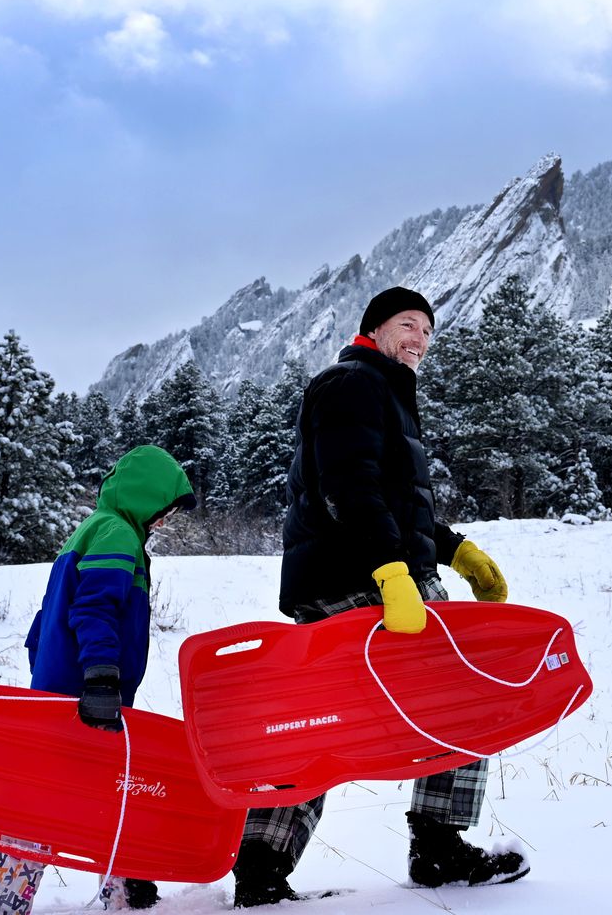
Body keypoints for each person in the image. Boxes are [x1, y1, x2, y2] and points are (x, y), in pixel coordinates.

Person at [231, 286, 525, 907]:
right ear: (375, 329)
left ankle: (261, 868)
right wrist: (394, 573)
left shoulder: (379, 392)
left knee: (317, 721)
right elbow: (348, 487)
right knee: (466, 691)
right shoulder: (352, 385)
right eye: (408, 324)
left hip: (348, 577)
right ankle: (438, 848)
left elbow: (388, 503)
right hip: (364, 583)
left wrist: (455, 550)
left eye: (427, 330)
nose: (419, 339)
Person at [0, 444, 198, 914]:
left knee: (105, 791)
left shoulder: (88, 531)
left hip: (69, 694)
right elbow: (94, 608)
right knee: (46, 807)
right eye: (163, 512)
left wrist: (52, 674)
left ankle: (128, 890)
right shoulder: (115, 534)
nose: (163, 523)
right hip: (85, 698)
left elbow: (43, 621)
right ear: (143, 497)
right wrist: (101, 677)